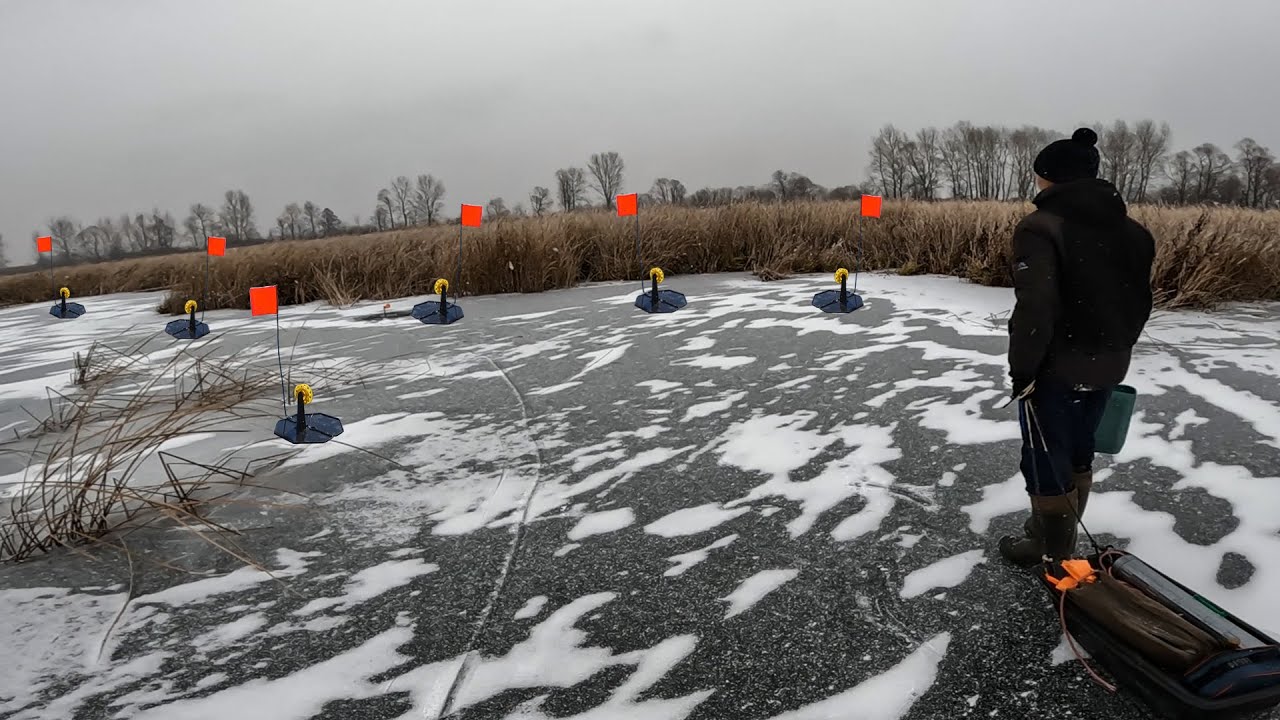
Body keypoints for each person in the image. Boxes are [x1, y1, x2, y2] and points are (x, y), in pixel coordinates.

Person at [999, 127, 1156, 567]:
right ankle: (1054, 535)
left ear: (1049, 177)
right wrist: (1118, 346)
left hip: (1057, 365)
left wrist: (1023, 370)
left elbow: (1037, 305)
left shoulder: (1040, 227)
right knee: (1081, 446)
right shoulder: (1135, 232)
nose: (1036, 182)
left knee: (1044, 455)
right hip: (1109, 362)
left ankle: (1050, 548)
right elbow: (1140, 301)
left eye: (1038, 175)